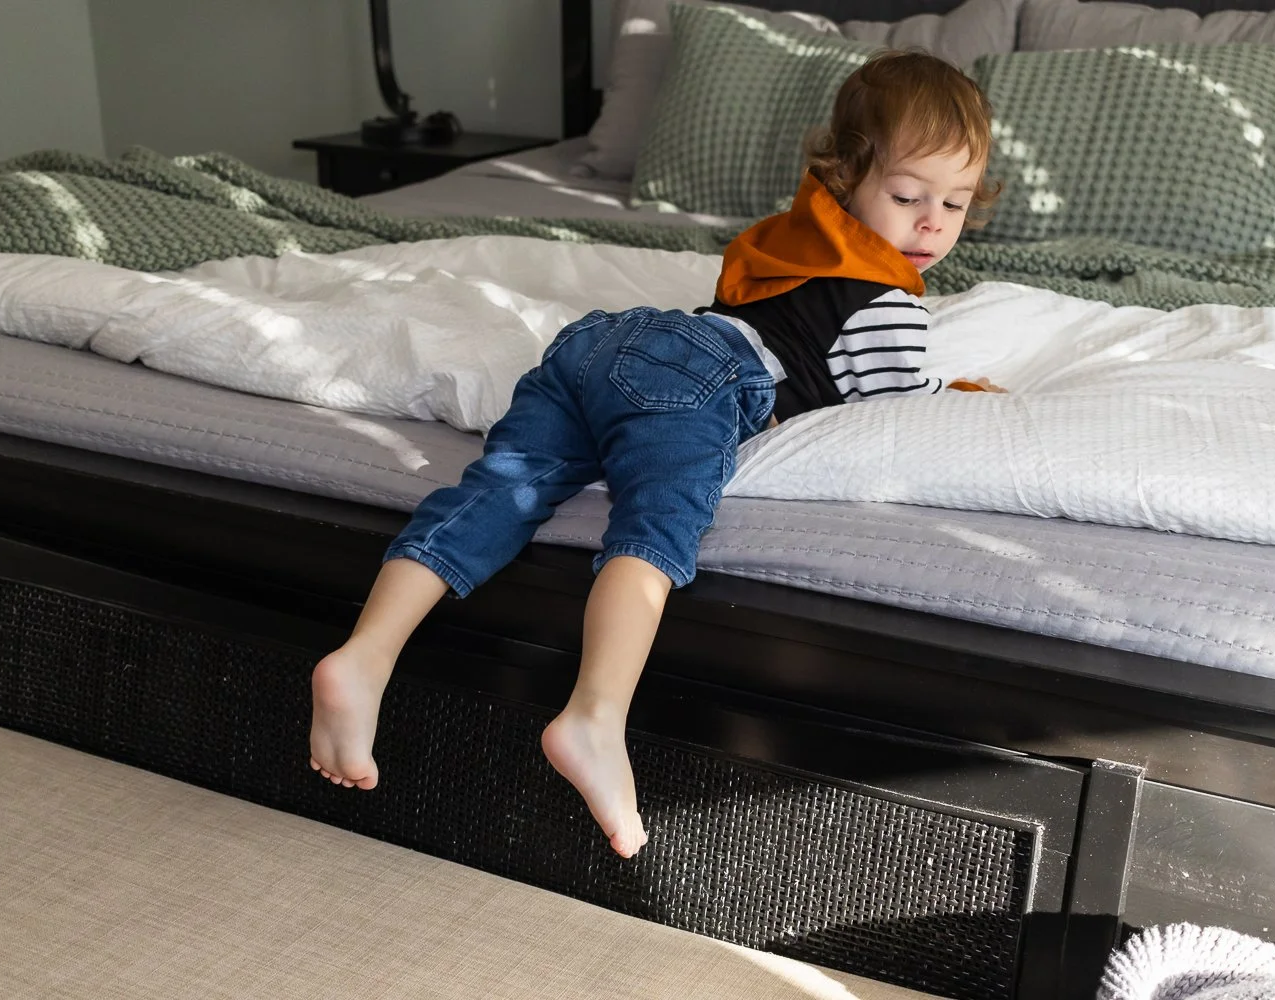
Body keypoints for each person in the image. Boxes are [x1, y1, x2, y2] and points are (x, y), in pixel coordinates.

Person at [308, 50, 1001, 859]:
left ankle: (365, 654)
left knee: (498, 490)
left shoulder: (786, 239)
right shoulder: (888, 303)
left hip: (604, 341)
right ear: (846, 179)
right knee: (657, 525)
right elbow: (900, 406)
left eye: (954, 203)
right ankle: (594, 716)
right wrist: (964, 394)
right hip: (700, 376)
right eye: (908, 195)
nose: (931, 224)